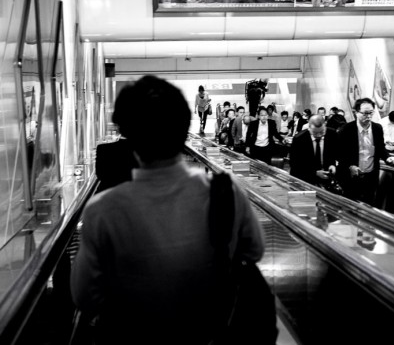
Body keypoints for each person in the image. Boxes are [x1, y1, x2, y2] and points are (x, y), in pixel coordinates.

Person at [71, 75, 265, 344]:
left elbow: (85, 296)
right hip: (207, 334)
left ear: (127, 134)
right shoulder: (225, 193)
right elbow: (254, 252)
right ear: (184, 128)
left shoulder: (103, 210)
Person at [336, 98, 394, 208]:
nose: (368, 116)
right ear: (356, 112)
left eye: (371, 113)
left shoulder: (377, 128)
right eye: (365, 113)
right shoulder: (346, 129)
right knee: (350, 207)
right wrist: (350, 166)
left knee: (369, 205)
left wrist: (387, 158)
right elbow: (339, 153)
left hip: (371, 175)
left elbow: (381, 148)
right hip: (351, 177)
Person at [289, 115, 337, 187]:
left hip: (328, 180)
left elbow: (338, 155)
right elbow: (294, 166)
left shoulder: (332, 135)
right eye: (315, 132)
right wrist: (315, 173)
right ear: (309, 128)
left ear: (325, 126)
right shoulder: (299, 139)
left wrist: (333, 166)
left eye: (322, 132)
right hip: (306, 181)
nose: (319, 135)